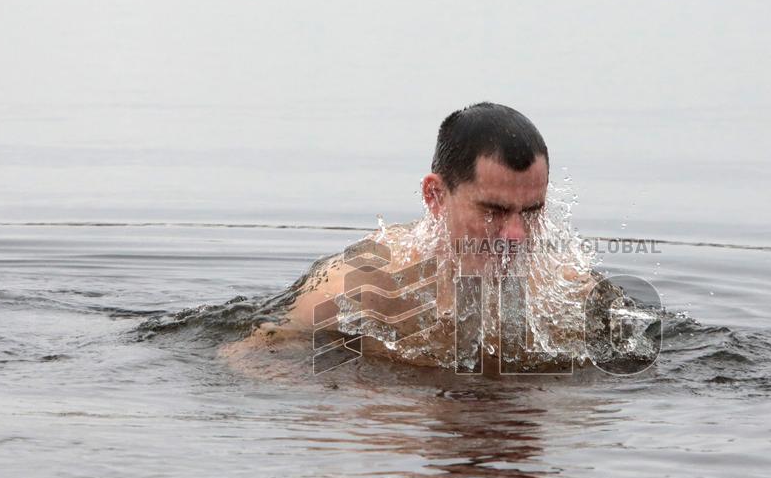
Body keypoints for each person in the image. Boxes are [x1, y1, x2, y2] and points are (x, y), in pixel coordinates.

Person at [224, 102, 597, 371]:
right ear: (435, 196)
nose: (516, 235)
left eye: (531, 212)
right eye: (493, 211)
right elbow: (248, 359)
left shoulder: (566, 291)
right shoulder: (358, 287)